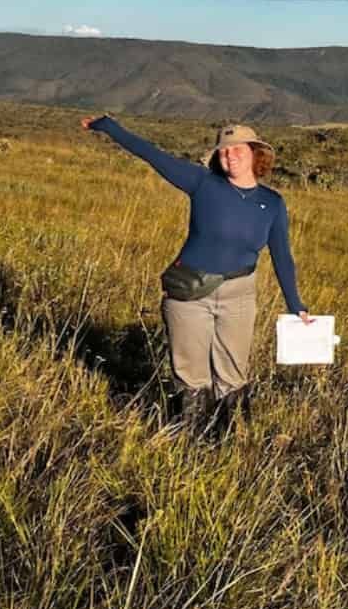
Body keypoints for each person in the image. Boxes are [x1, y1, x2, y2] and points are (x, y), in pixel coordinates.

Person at [81, 113, 311, 436]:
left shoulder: (272, 203)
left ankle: (231, 440)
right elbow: (152, 154)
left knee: (233, 374)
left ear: (255, 153)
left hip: (239, 295)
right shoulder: (203, 183)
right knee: (191, 374)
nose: (230, 155)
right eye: (224, 151)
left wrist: (295, 305)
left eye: (238, 149)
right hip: (189, 293)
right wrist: (109, 127)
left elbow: (282, 256)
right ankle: (191, 441)